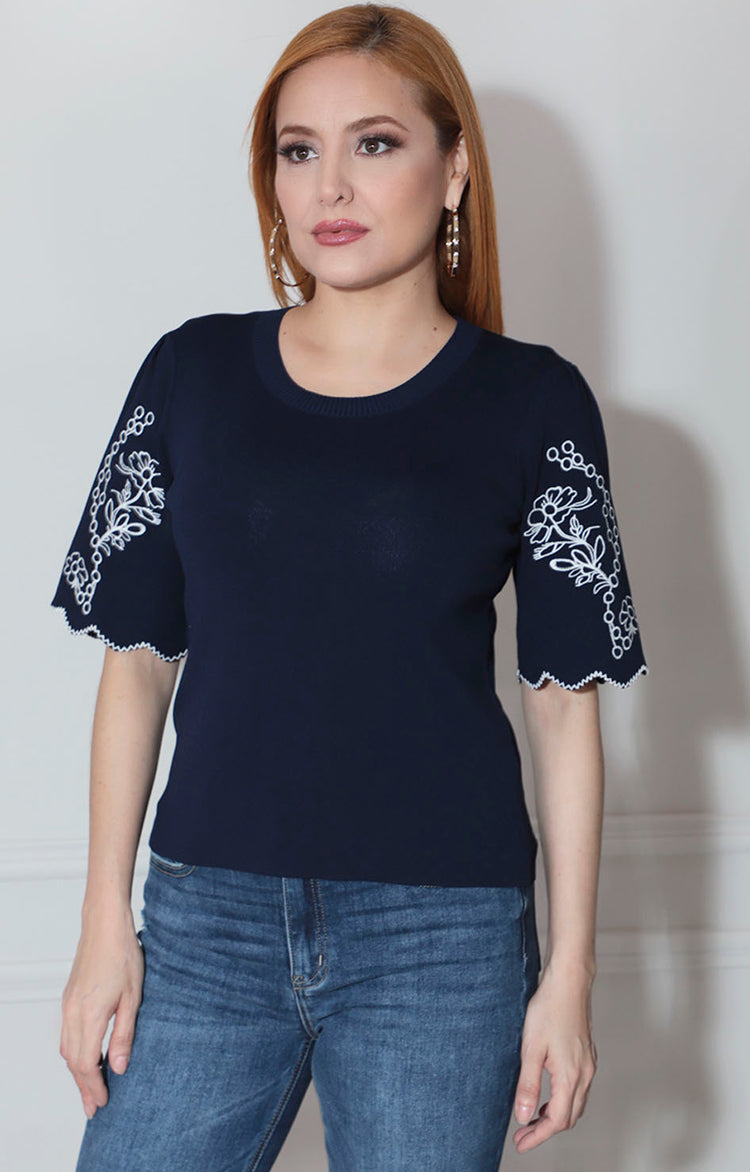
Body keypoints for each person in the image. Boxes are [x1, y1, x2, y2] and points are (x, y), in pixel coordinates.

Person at [51, 5, 648, 1169]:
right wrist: (100, 922)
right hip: (204, 924)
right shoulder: (190, 373)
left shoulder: (534, 402)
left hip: (443, 940)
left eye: (375, 143)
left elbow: (564, 706)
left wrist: (570, 975)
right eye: (298, 148)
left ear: (454, 168)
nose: (331, 183)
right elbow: (136, 665)